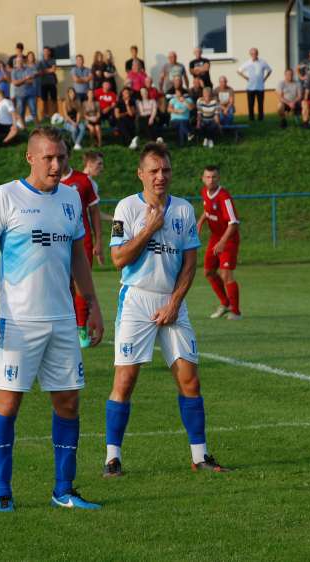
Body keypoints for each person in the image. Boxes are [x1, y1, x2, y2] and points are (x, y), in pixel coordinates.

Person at [0, 127, 105, 512]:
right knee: (7, 403)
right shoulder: (6, 195)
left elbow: (78, 254)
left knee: (68, 402)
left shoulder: (70, 197)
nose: (56, 164)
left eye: (61, 156)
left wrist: (92, 303)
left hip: (62, 318)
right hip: (17, 320)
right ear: (30, 158)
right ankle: (3, 493)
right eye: (48, 157)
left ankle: (64, 489)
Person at [104, 142, 227, 479]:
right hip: (136, 300)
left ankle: (200, 456)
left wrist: (174, 302)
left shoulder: (185, 210)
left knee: (190, 378)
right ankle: (112, 458)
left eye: (166, 170)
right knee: (125, 380)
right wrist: (148, 229)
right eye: (154, 170)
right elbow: (118, 259)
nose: (161, 176)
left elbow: (190, 262)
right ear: (140, 174)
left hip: (172, 301)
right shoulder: (126, 208)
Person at [60, 160, 103, 347]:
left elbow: (94, 211)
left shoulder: (83, 180)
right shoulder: (47, 182)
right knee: (64, 285)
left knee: (81, 285)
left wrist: (99, 240)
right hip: (59, 241)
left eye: (60, 156)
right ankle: (68, 326)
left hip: (82, 241)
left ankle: (81, 328)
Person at [197, 165, 241, 320]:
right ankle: (225, 303)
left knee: (226, 274)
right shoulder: (204, 192)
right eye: (207, 177)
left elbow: (234, 223)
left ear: (218, 178)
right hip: (215, 238)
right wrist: (200, 222)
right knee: (208, 272)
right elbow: (207, 210)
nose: (210, 180)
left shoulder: (224, 197)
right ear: (202, 179)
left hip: (228, 239)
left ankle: (235, 311)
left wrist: (223, 241)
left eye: (214, 177)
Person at [237, 48, 271, 122]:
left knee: (260, 104)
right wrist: (246, 77)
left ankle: (261, 118)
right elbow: (239, 71)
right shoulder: (247, 63)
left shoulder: (263, 62)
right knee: (250, 104)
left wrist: (265, 79)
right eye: (252, 54)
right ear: (250, 54)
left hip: (260, 87)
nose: (253, 55)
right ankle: (251, 119)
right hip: (250, 87)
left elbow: (269, 70)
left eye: (255, 53)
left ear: (257, 54)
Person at [11, 56, 37, 123]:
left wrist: (20, 82)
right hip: (19, 95)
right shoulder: (14, 71)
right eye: (18, 61)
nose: (20, 62)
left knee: (34, 112)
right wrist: (25, 79)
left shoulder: (28, 69)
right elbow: (15, 83)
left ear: (23, 62)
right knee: (21, 113)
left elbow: (31, 81)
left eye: (21, 61)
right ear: (16, 62)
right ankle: (24, 128)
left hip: (30, 94)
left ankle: (38, 128)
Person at [37, 47, 58, 120]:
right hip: (43, 83)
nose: (45, 53)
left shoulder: (53, 60)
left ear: (49, 52)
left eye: (47, 51)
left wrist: (44, 71)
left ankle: (55, 115)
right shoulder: (40, 62)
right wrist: (49, 70)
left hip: (52, 82)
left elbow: (53, 70)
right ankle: (46, 115)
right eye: (44, 51)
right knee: (44, 100)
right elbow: (39, 72)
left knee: (53, 99)